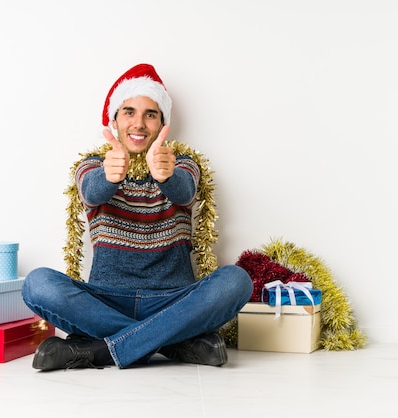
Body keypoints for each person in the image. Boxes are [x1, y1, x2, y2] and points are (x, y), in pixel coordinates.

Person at [21, 63, 253, 371]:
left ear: (161, 123)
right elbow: (91, 192)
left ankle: (99, 350)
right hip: (105, 300)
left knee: (236, 281)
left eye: (150, 114)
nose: (139, 123)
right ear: (115, 121)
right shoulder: (91, 164)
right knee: (37, 284)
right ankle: (174, 341)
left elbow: (185, 192)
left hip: (173, 299)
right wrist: (110, 175)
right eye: (129, 112)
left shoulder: (182, 163)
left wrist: (165, 175)